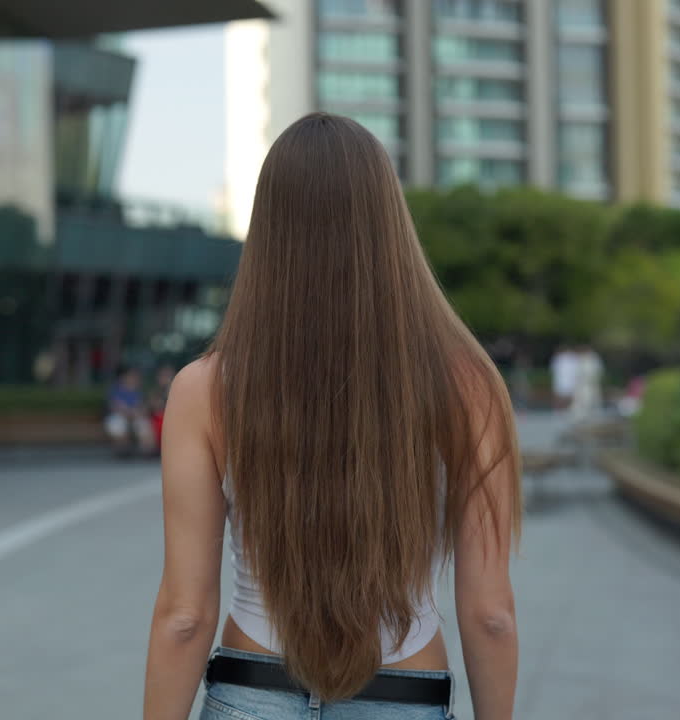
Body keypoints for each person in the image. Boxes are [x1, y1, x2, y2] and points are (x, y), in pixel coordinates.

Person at [144, 114, 521, 720]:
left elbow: (185, 616)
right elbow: (491, 615)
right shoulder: (468, 384)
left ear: (268, 229)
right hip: (403, 700)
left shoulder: (204, 389)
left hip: (251, 695)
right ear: (389, 222)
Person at [104, 366, 155, 457]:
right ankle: (123, 450)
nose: (133, 378)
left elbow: (144, 407)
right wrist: (129, 413)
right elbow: (115, 406)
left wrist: (138, 412)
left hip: (136, 416)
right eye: (131, 376)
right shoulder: (115, 389)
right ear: (124, 377)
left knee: (143, 425)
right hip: (119, 416)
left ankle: (147, 451)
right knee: (118, 425)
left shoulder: (139, 390)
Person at [550, 343, 579, 411]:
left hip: (569, 381)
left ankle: (566, 410)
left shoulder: (573, 358)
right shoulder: (558, 358)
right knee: (560, 396)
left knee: (568, 397)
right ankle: (559, 410)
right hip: (561, 380)